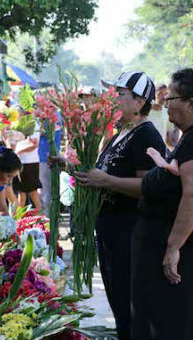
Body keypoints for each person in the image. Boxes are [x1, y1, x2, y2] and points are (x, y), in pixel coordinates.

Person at [123, 68, 193, 340]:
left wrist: (173, 246)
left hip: (189, 253)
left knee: (180, 326)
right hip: (184, 246)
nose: (165, 104)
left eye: (171, 99)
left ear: (191, 104)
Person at [69, 71, 165, 340]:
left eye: (120, 94)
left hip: (129, 232)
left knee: (130, 306)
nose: (112, 99)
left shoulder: (146, 135)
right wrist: (68, 167)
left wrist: (107, 181)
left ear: (139, 102)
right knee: (119, 304)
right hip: (110, 231)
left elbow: (148, 187)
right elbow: (100, 173)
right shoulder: (122, 131)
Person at [13, 107, 42, 210]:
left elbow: (34, 145)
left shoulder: (32, 125)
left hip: (30, 162)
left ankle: (41, 216)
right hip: (22, 162)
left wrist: (18, 151)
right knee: (21, 192)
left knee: (33, 192)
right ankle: (20, 218)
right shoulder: (21, 126)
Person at [38, 112, 62, 214]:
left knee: (46, 189)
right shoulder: (55, 114)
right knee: (47, 189)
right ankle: (50, 215)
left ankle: (48, 216)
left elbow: (41, 132)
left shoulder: (51, 115)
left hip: (46, 157)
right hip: (47, 156)